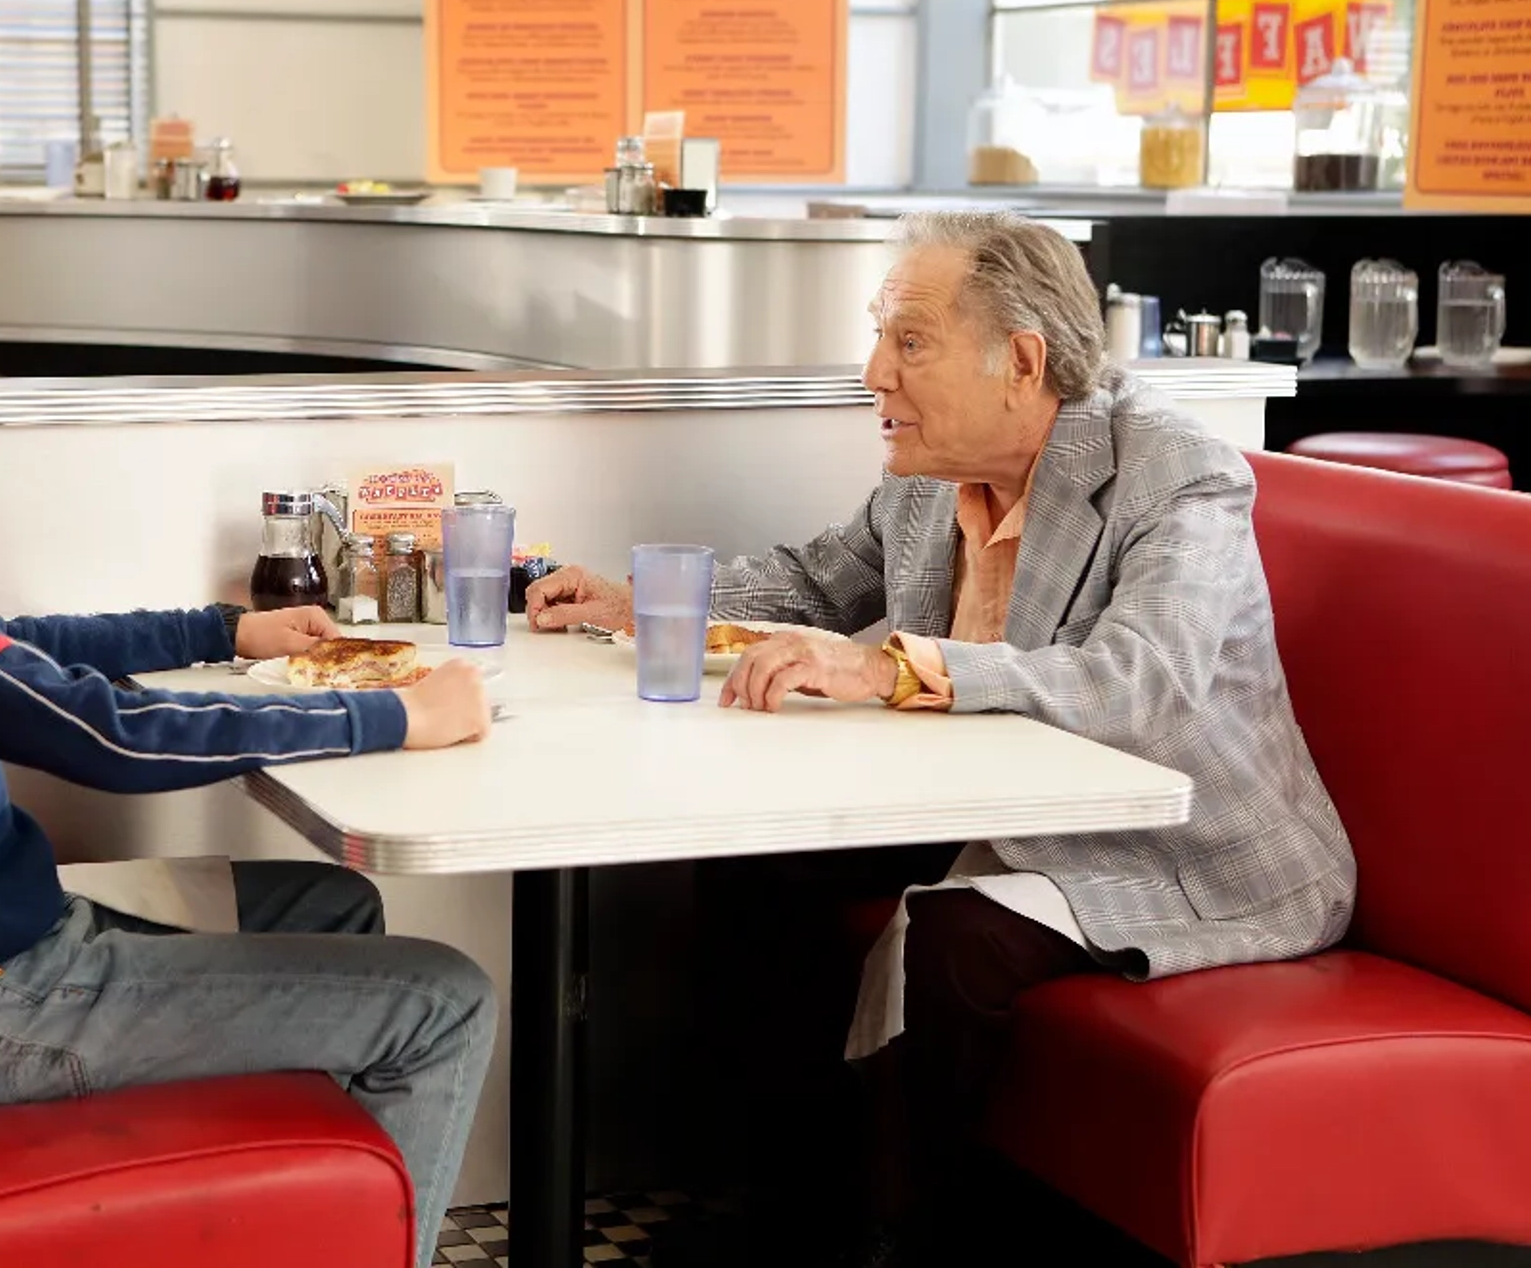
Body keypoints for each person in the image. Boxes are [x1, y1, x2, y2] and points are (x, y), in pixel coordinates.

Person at [527, 210, 1355, 1266]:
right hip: (988, 802)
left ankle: (905, 1241)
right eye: (880, 337)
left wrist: (893, 668)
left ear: (1021, 360)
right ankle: (771, 1211)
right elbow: (816, 585)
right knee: (754, 870)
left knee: (949, 942)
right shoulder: (927, 471)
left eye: (909, 341)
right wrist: (638, 601)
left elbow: (1142, 683)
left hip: (1181, 851)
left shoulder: (1179, 474)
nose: (875, 372)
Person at [0, 197, 495, 1268]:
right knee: (447, 998)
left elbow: (4, 645)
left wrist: (219, 628)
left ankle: (299, 1227)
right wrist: (394, 714)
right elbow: (99, 737)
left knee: (329, 899)